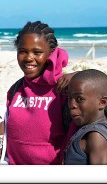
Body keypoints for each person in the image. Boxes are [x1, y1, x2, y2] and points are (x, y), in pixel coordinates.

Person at [5, 21, 78, 165]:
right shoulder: (14, 90)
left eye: (37, 52)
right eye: (23, 51)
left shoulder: (63, 89)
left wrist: (80, 75)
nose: (29, 58)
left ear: (51, 54)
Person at [63, 69, 107, 165]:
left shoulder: (96, 136)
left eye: (80, 99)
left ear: (102, 102)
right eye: (69, 98)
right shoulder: (91, 127)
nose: (72, 105)